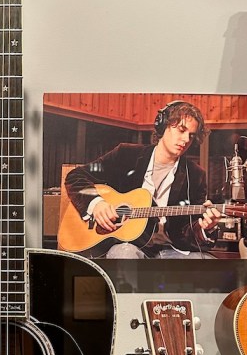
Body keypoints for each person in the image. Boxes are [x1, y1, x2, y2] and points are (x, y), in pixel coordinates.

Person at [64, 100, 222, 259]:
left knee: (209, 262)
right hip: (130, 246)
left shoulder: (196, 175)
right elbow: (76, 176)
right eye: (181, 130)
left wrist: (204, 228)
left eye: (191, 135)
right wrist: (97, 204)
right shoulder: (125, 155)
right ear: (163, 125)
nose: (186, 139)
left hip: (172, 250)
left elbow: (188, 231)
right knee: (124, 254)